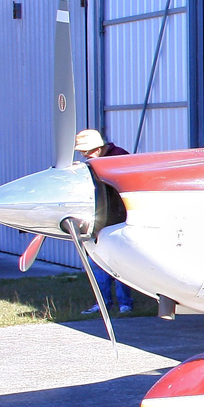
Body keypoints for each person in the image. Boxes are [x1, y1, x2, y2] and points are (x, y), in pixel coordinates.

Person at [73, 130, 134, 316]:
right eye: (83, 152)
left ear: (98, 148)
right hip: (99, 222)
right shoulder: (92, 163)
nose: (85, 155)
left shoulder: (119, 158)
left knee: (119, 264)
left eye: (88, 151)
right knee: (96, 263)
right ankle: (103, 303)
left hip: (118, 221)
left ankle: (125, 303)